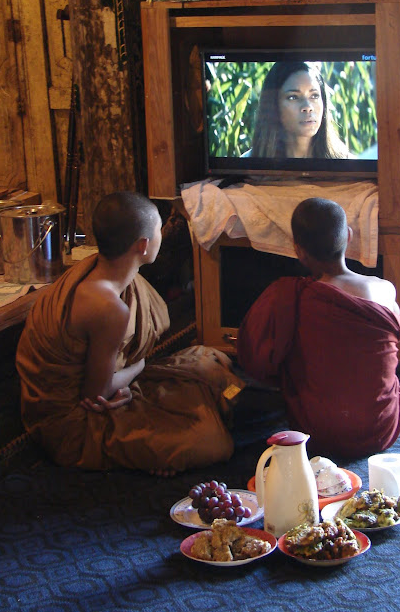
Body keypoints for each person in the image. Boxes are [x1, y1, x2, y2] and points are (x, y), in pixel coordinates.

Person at [16, 191, 244, 475]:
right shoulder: (107, 307)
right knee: (212, 442)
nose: (162, 234)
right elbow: (94, 394)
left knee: (212, 363)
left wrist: (123, 376)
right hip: (75, 422)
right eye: (159, 229)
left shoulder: (102, 271)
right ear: (143, 245)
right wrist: (140, 365)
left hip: (114, 380)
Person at [237, 197, 400, 459]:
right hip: (379, 430)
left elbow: (256, 360)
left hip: (317, 434)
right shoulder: (384, 289)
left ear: (298, 250)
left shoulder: (289, 296)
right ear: (348, 236)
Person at [241, 61, 351, 159]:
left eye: (314, 96)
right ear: (273, 105)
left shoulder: (348, 165)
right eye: (293, 97)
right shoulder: (247, 165)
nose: (308, 107)